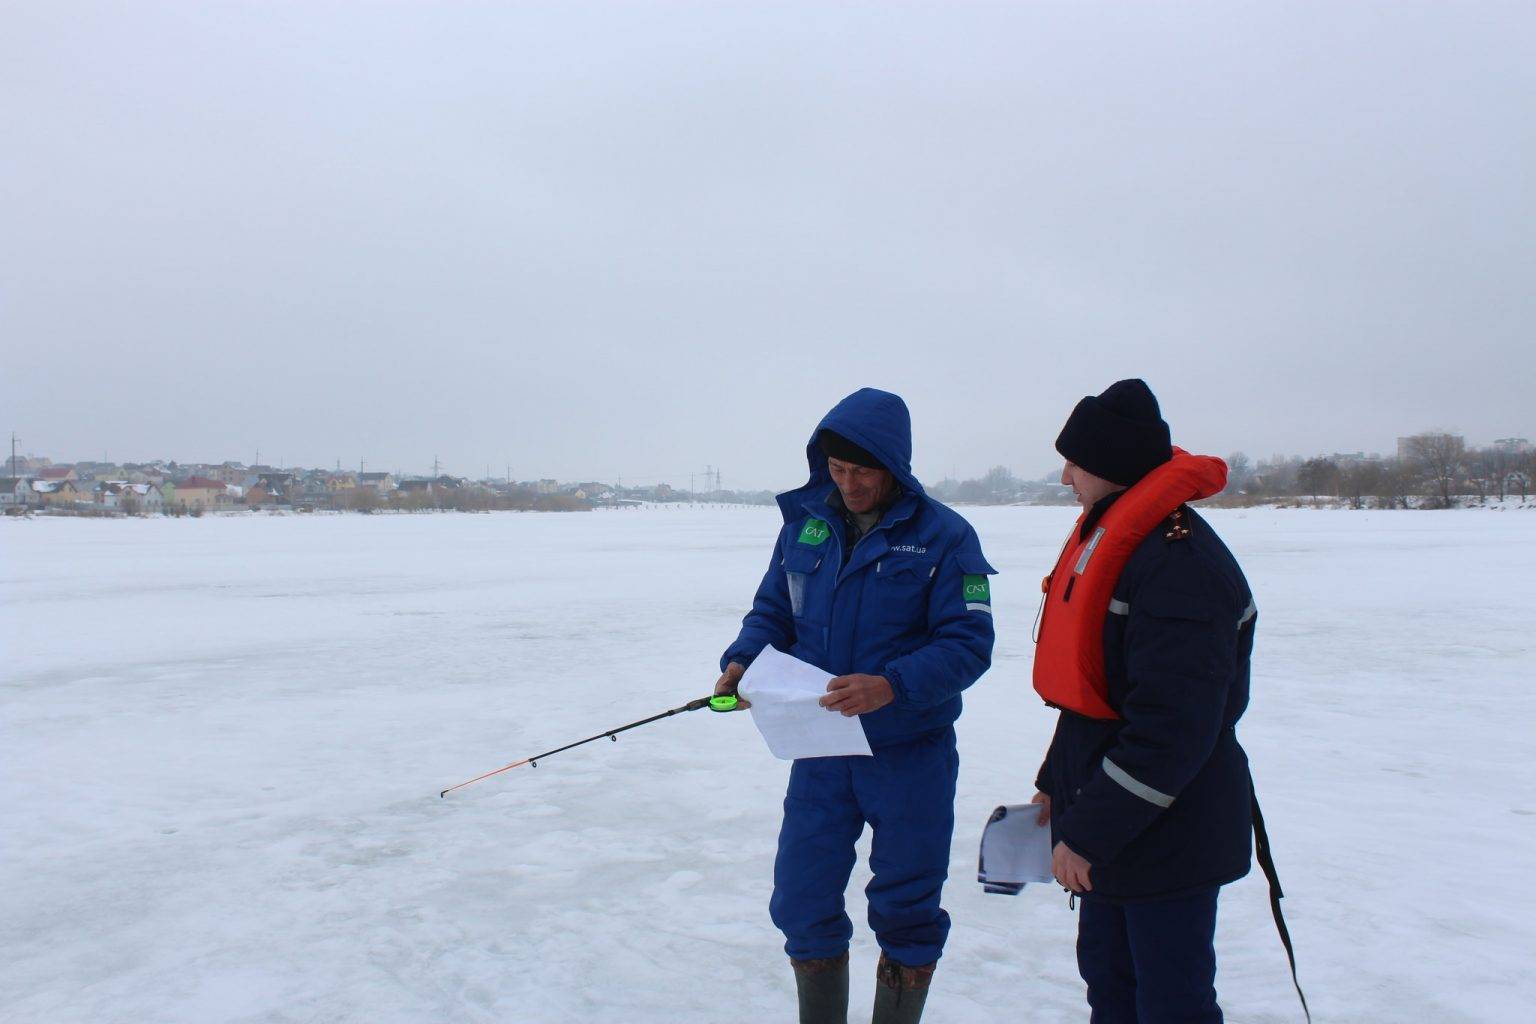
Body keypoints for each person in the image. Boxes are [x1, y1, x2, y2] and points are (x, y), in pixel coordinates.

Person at [715, 387, 996, 1024]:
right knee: (800, 900)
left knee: (906, 907)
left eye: (862, 470)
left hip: (908, 754)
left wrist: (891, 682)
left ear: (893, 465)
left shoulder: (947, 538)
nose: (849, 484)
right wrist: (741, 663)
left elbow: (969, 643)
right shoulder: (805, 526)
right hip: (819, 750)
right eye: (837, 470)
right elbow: (772, 614)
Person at [1030, 379, 1255, 1024]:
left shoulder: (1179, 567)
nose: (1066, 474)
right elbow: (1092, 699)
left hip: (1169, 832)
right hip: (1115, 822)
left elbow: (1172, 729)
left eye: (1076, 460)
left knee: (1169, 1004)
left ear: (1112, 464)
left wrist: (1090, 834)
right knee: (1112, 986)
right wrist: (1056, 784)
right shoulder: (1120, 541)